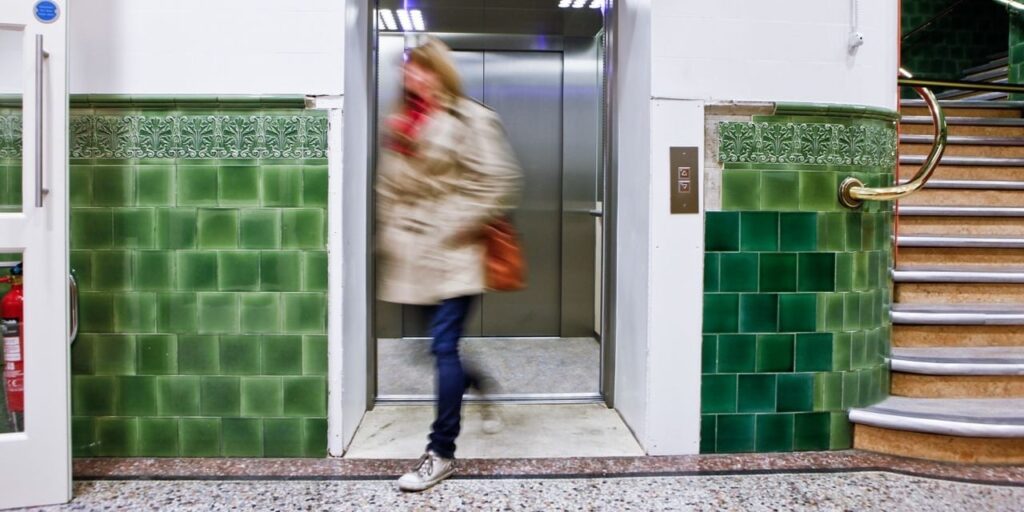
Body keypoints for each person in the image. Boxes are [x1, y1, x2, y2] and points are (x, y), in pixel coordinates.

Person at [375, 37, 522, 492]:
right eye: (408, 68)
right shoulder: (400, 123)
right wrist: (393, 230)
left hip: (457, 252)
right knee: (436, 348)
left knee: (442, 347)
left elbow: (500, 181)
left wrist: (452, 223)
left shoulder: (471, 118)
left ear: (441, 72)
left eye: (422, 68)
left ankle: (440, 453)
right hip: (414, 257)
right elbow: (388, 188)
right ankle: (480, 384)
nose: (412, 76)